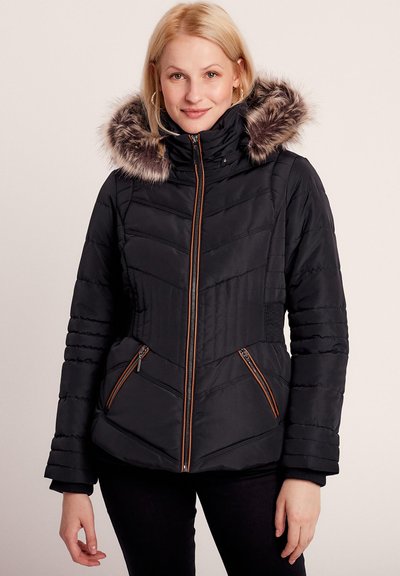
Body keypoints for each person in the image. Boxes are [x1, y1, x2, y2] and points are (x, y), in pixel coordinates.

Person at [44, 3, 349, 575]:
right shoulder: (124, 190)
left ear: (238, 74)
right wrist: (73, 479)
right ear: (156, 79)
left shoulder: (289, 183)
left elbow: (323, 335)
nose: (193, 94)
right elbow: (87, 334)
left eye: (210, 73)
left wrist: (307, 471)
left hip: (254, 445)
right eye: (176, 75)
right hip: (133, 448)